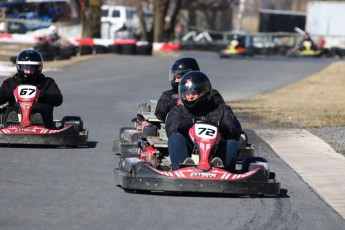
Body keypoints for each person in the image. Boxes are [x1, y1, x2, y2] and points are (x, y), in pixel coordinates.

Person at [165, 71, 242, 171]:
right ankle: (183, 168)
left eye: (193, 93)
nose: (190, 97)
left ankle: (222, 170)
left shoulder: (221, 110)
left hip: (216, 150)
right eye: (187, 93)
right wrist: (186, 124)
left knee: (232, 144)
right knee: (175, 138)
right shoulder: (178, 110)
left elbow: (235, 131)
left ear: (203, 92)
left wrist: (221, 126)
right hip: (190, 149)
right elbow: (171, 130)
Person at [0, 49, 63, 128]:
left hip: (41, 114)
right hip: (16, 114)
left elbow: (58, 99)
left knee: (40, 113)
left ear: (39, 68)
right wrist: (7, 93)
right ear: (19, 67)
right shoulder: (11, 83)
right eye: (25, 68)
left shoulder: (47, 82)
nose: (28, 72)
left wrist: (40, 95)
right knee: (11, 111)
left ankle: (38, 124)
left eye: (31, 69)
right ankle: (12, 126)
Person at [154, 57, 224, 122]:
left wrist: (201, 103)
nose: (176, 80)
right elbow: (161, 113)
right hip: (180, 128)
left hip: (206, 126)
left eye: (179, 77)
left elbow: (221, 112)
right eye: (175, 77)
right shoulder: (169, 95)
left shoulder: (209, 94)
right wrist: (176, 106)